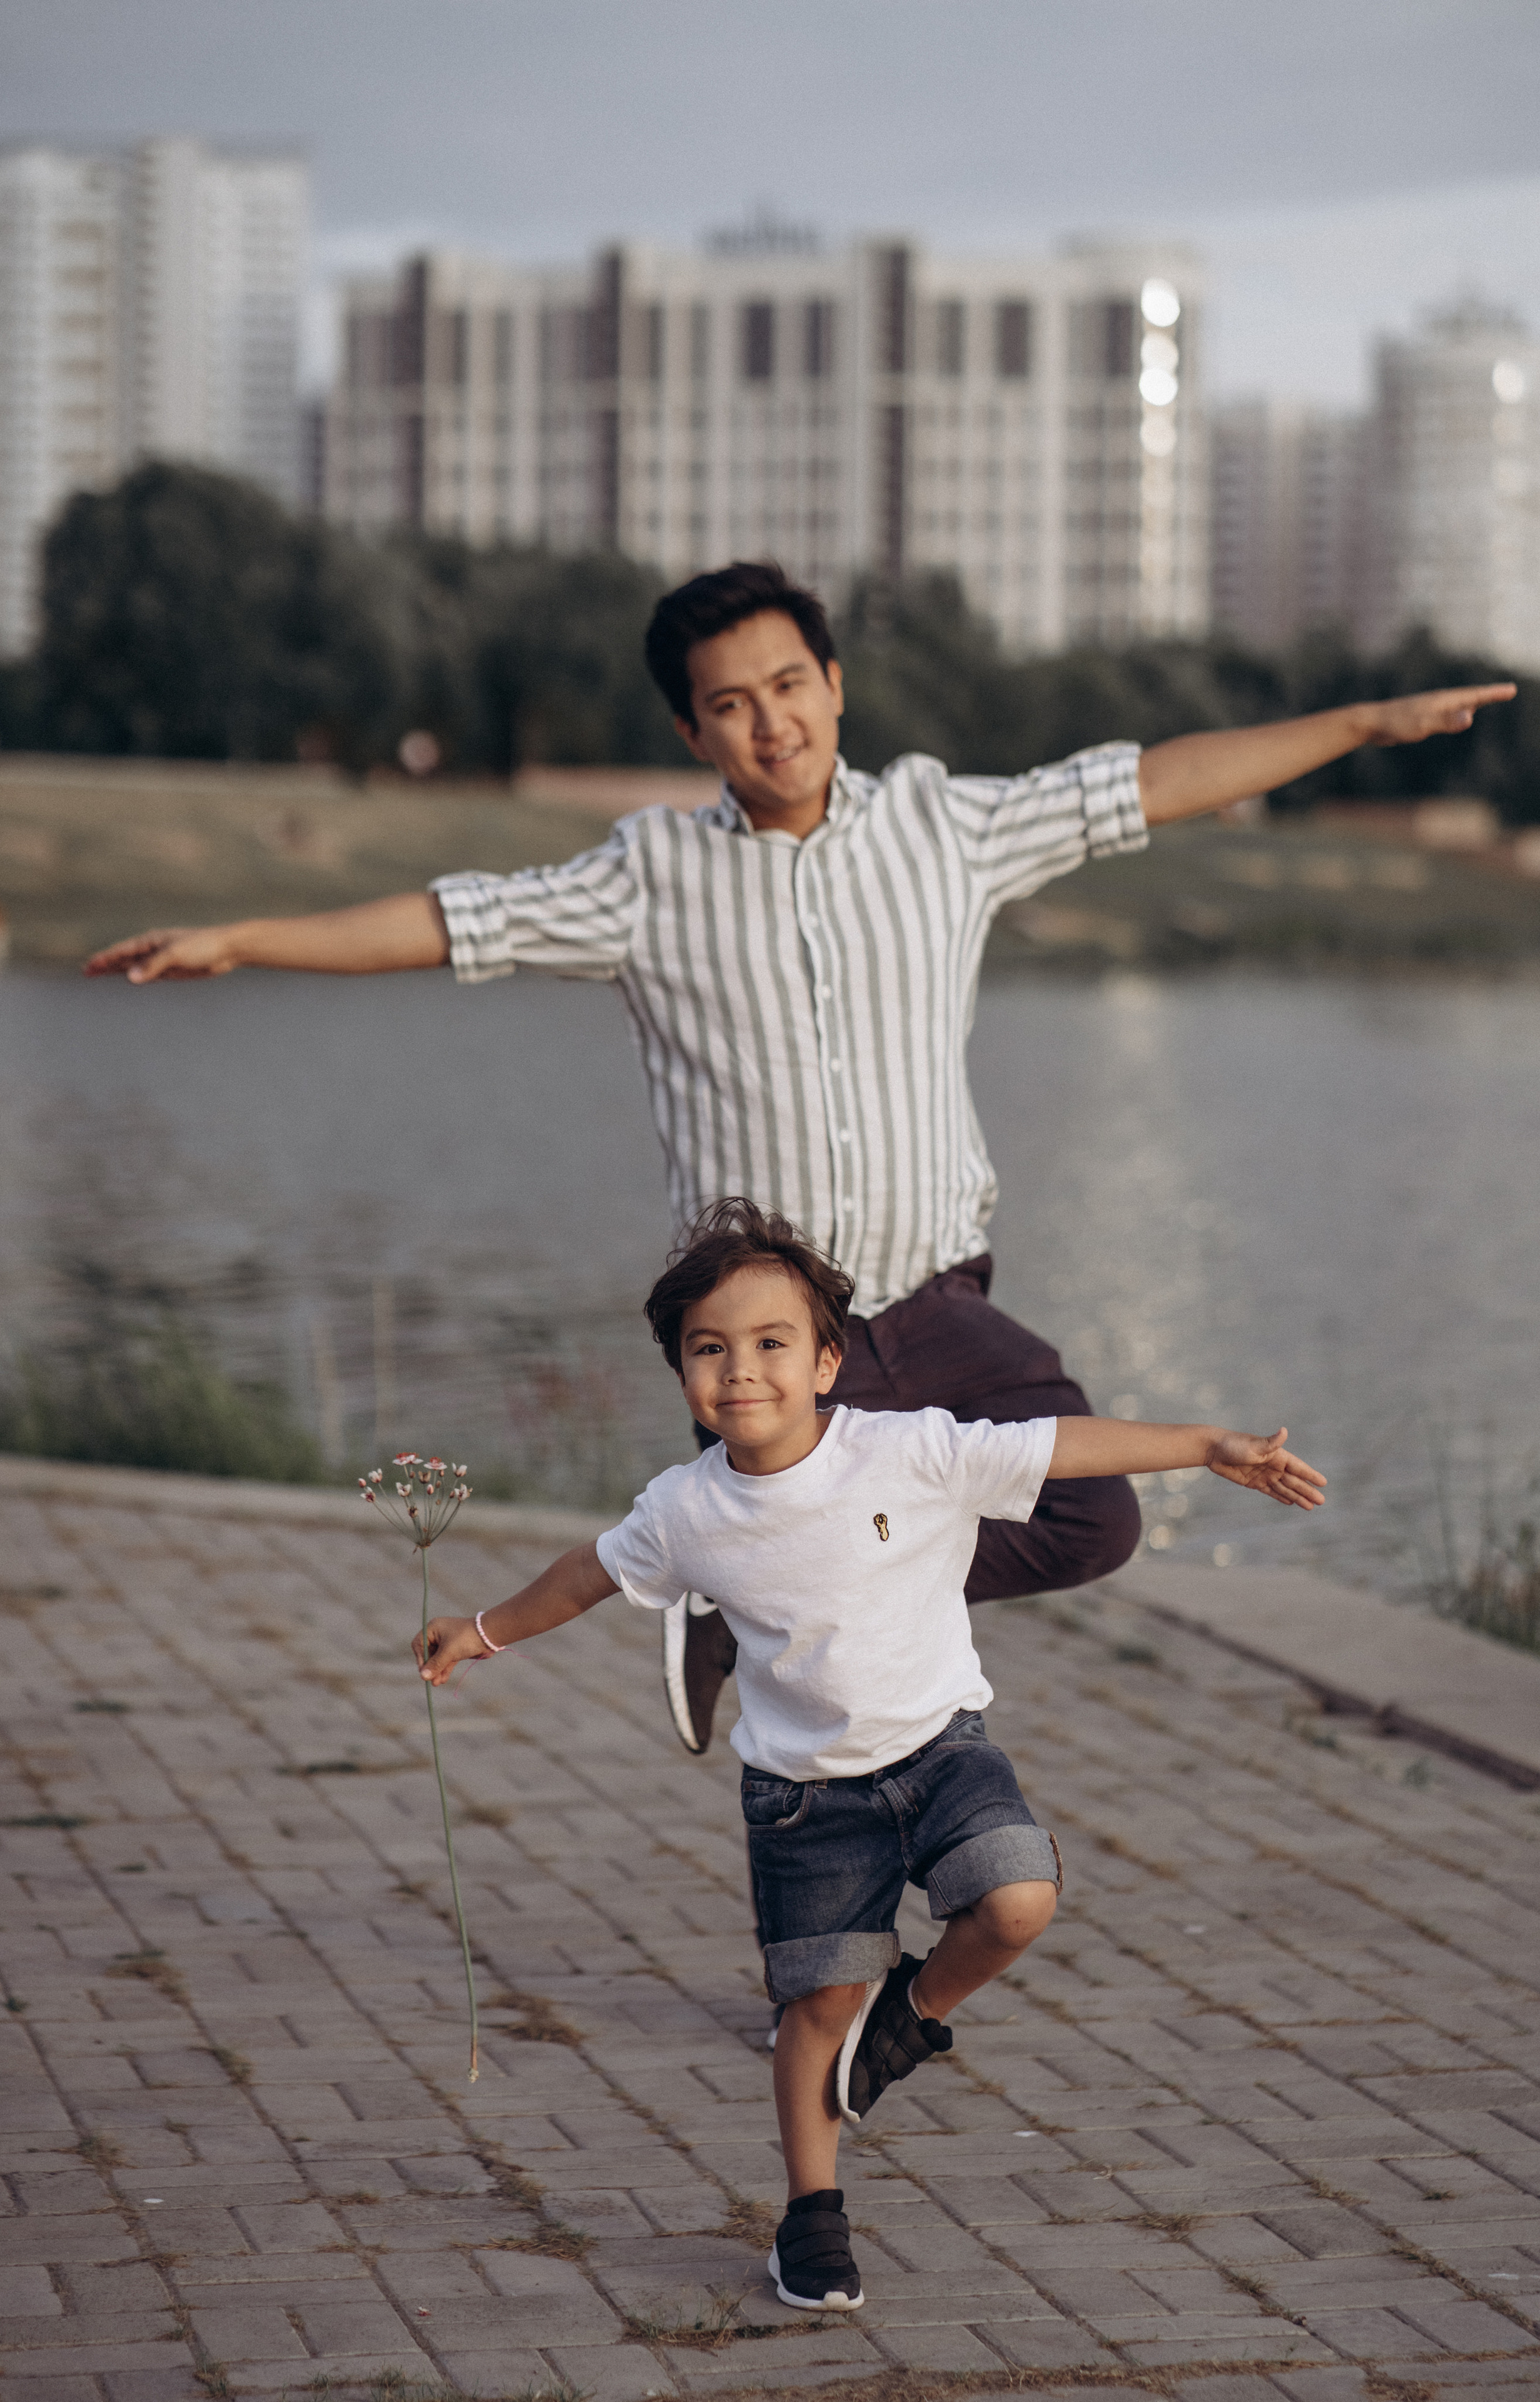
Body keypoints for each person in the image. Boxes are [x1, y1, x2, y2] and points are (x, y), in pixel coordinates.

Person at [86, 562, 1512, 1755]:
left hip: (941, 1301)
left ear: (833, 685)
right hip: (771, 1328)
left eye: (787, 688)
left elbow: (1146, 783)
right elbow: (453, 921)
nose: (769, 725)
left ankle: (750, 1594)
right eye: (729, 706)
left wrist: (1363, 724)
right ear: (693, 731)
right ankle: (756, 1601)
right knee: (849, 1725)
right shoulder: (647, 878)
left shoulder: (943, 827)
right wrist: (241, 936)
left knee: (1091, 1517)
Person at [413, 1197, 1327, 2313]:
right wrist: (486, 1629)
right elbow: (587, 1573)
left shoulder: (909, 1450)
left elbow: (1059, 1446)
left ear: (828, 1362)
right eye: (710, 1351)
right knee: (811, 2018)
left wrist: (1208, 1448)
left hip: (944, 1751)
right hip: (805, 1804)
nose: (741, 1372)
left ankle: (916, 2015)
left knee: (1019, 1898)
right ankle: (811, 2221)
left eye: (770, 1344)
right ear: (683, 1375)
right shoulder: (685, 1509)